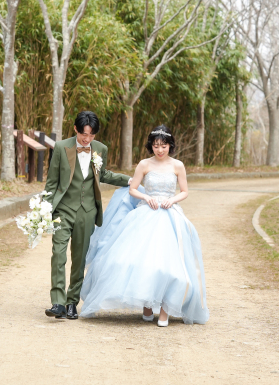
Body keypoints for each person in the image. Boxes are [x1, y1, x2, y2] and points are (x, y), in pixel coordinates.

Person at [79, 125, 209, 326]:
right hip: (147, 212)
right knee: (141, 261)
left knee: (170, 263)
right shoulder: (144, 164)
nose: (160, 150)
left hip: (170, 216)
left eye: (164, 146)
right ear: (151, 146)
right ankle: (147, 303)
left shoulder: (178, 165)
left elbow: (184, 191)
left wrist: (172, 200)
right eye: (156, 146)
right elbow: (132, 189)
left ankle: (165, 310)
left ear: (170, 146)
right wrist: (147, 197)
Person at [43, 111, 131, 320]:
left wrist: (129, 180)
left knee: (80, 258)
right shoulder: (61, 147)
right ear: (76, 129)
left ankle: (72, 302)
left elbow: (103, 174)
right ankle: (58, 302)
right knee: (58, 253)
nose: (87, 139)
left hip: (88, 211)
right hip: (63, 209)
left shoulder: (100, 149)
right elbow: (52, 182)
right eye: (84, 134)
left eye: (91, 135)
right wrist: (45, 209)